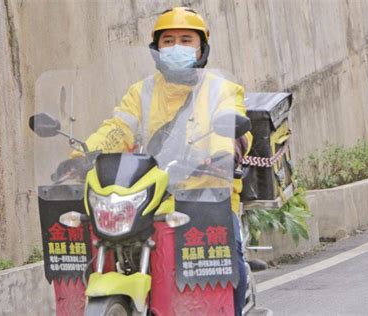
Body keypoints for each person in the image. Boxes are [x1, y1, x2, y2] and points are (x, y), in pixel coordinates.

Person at [79, 7, 252, 315]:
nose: (176, 47)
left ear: (202, 48)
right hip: (149, 199)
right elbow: (117, 129)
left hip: (206, 196)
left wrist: (222, 152)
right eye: (168, 40)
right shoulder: (140, 92)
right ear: (156, 49)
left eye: (186, 40)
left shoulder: (221, 90)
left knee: (229, 266)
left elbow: (232, 128)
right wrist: (82, 155)